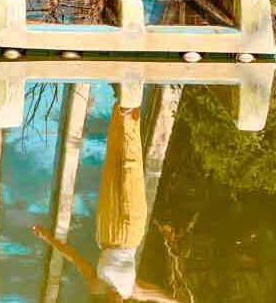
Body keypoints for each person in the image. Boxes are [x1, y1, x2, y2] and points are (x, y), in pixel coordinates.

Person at [31, 96, 179, 302]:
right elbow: (166, 299)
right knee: (131, 173)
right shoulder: (133, 291)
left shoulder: (96, 285)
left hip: (107, 231)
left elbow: (73, 257)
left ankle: (120, 107)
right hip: (132, 234)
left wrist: (47, 237)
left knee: (112, 166)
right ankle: (131, 116)